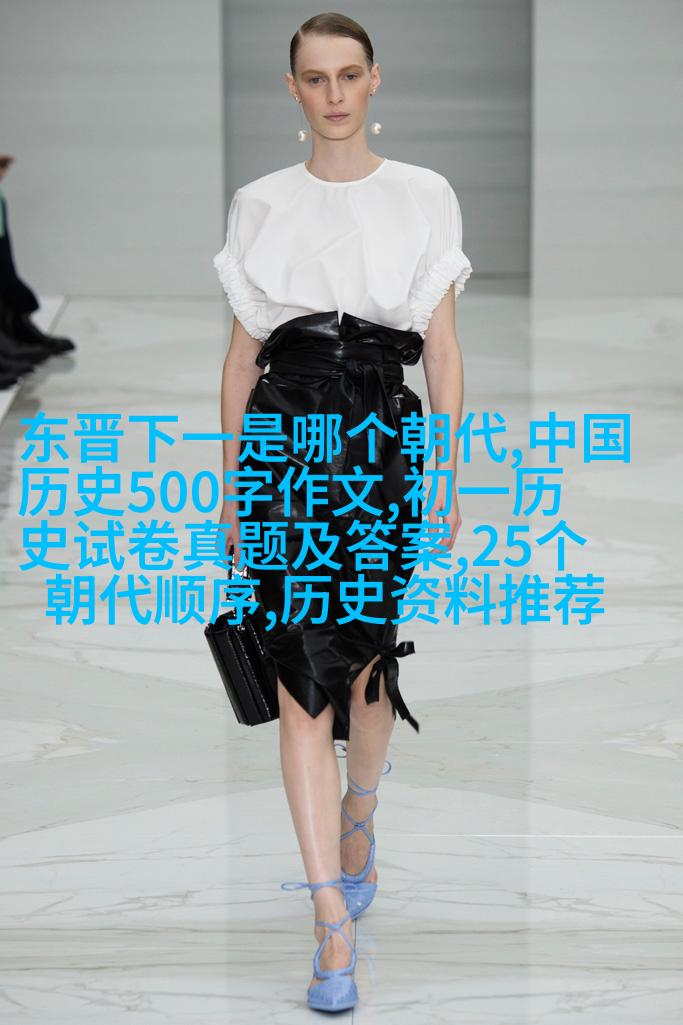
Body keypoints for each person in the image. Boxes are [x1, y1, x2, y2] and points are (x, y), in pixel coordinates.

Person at [213, 13, 471, 1013]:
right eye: (314, 78)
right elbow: (241, 358)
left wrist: (447, 469)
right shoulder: (259, 203)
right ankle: (328, 912)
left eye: (348, 75)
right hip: (284, 438)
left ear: (373, 81)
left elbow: (440, 348)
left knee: (362, 668)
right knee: (299, 677)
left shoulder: (422, 194)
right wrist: (232, 486)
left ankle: (361, 806)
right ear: (291, 88)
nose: (332, 94)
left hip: (376, 444)